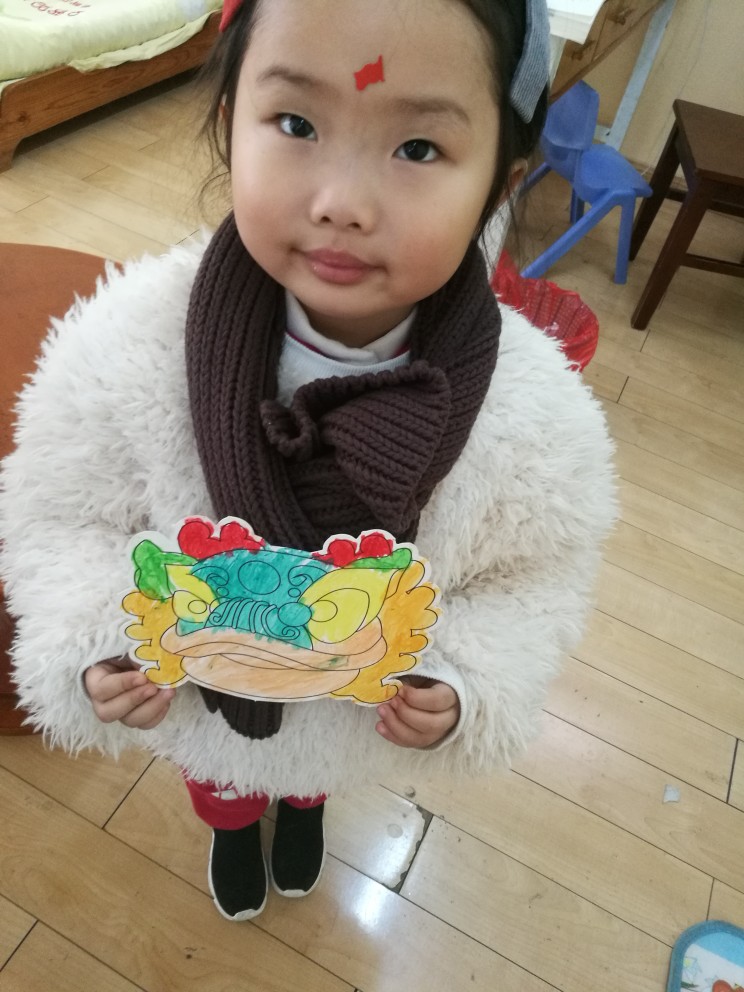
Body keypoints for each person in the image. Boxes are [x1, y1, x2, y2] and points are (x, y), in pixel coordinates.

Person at [0, 0, 616, 924]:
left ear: (500, 185)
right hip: (200, 705)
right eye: (295, 124)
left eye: (417, 148)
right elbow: (59, 511)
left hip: (346, 719)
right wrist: (95, 639)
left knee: (309, 772)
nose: (341, 202)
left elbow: (534, 580)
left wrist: (468, 683)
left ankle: (302, 807)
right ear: (229, 123)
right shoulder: (132, 341)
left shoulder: (529, 413)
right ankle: (229, 821)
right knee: (221, 781)